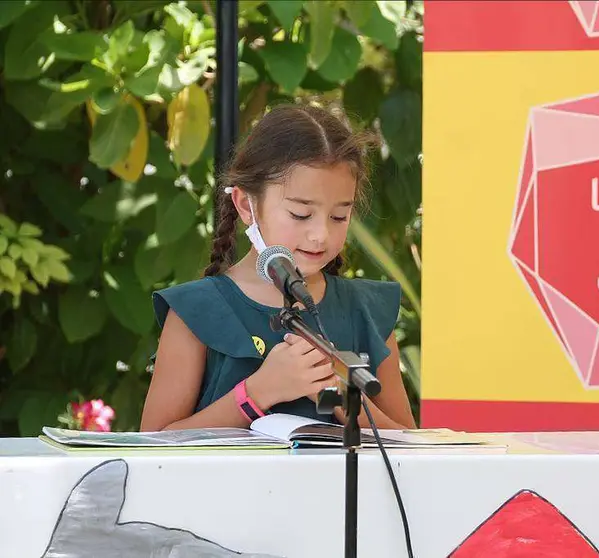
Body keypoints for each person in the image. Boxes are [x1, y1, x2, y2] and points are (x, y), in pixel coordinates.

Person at [140, 104, 416, 432]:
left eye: (339, 216)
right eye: (300, 214)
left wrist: (341, 393)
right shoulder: (197, 310)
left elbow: (407, 448)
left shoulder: (365, 309)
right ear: (246, 205)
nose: (321, 235)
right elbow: (153, 447)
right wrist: (257, 393)